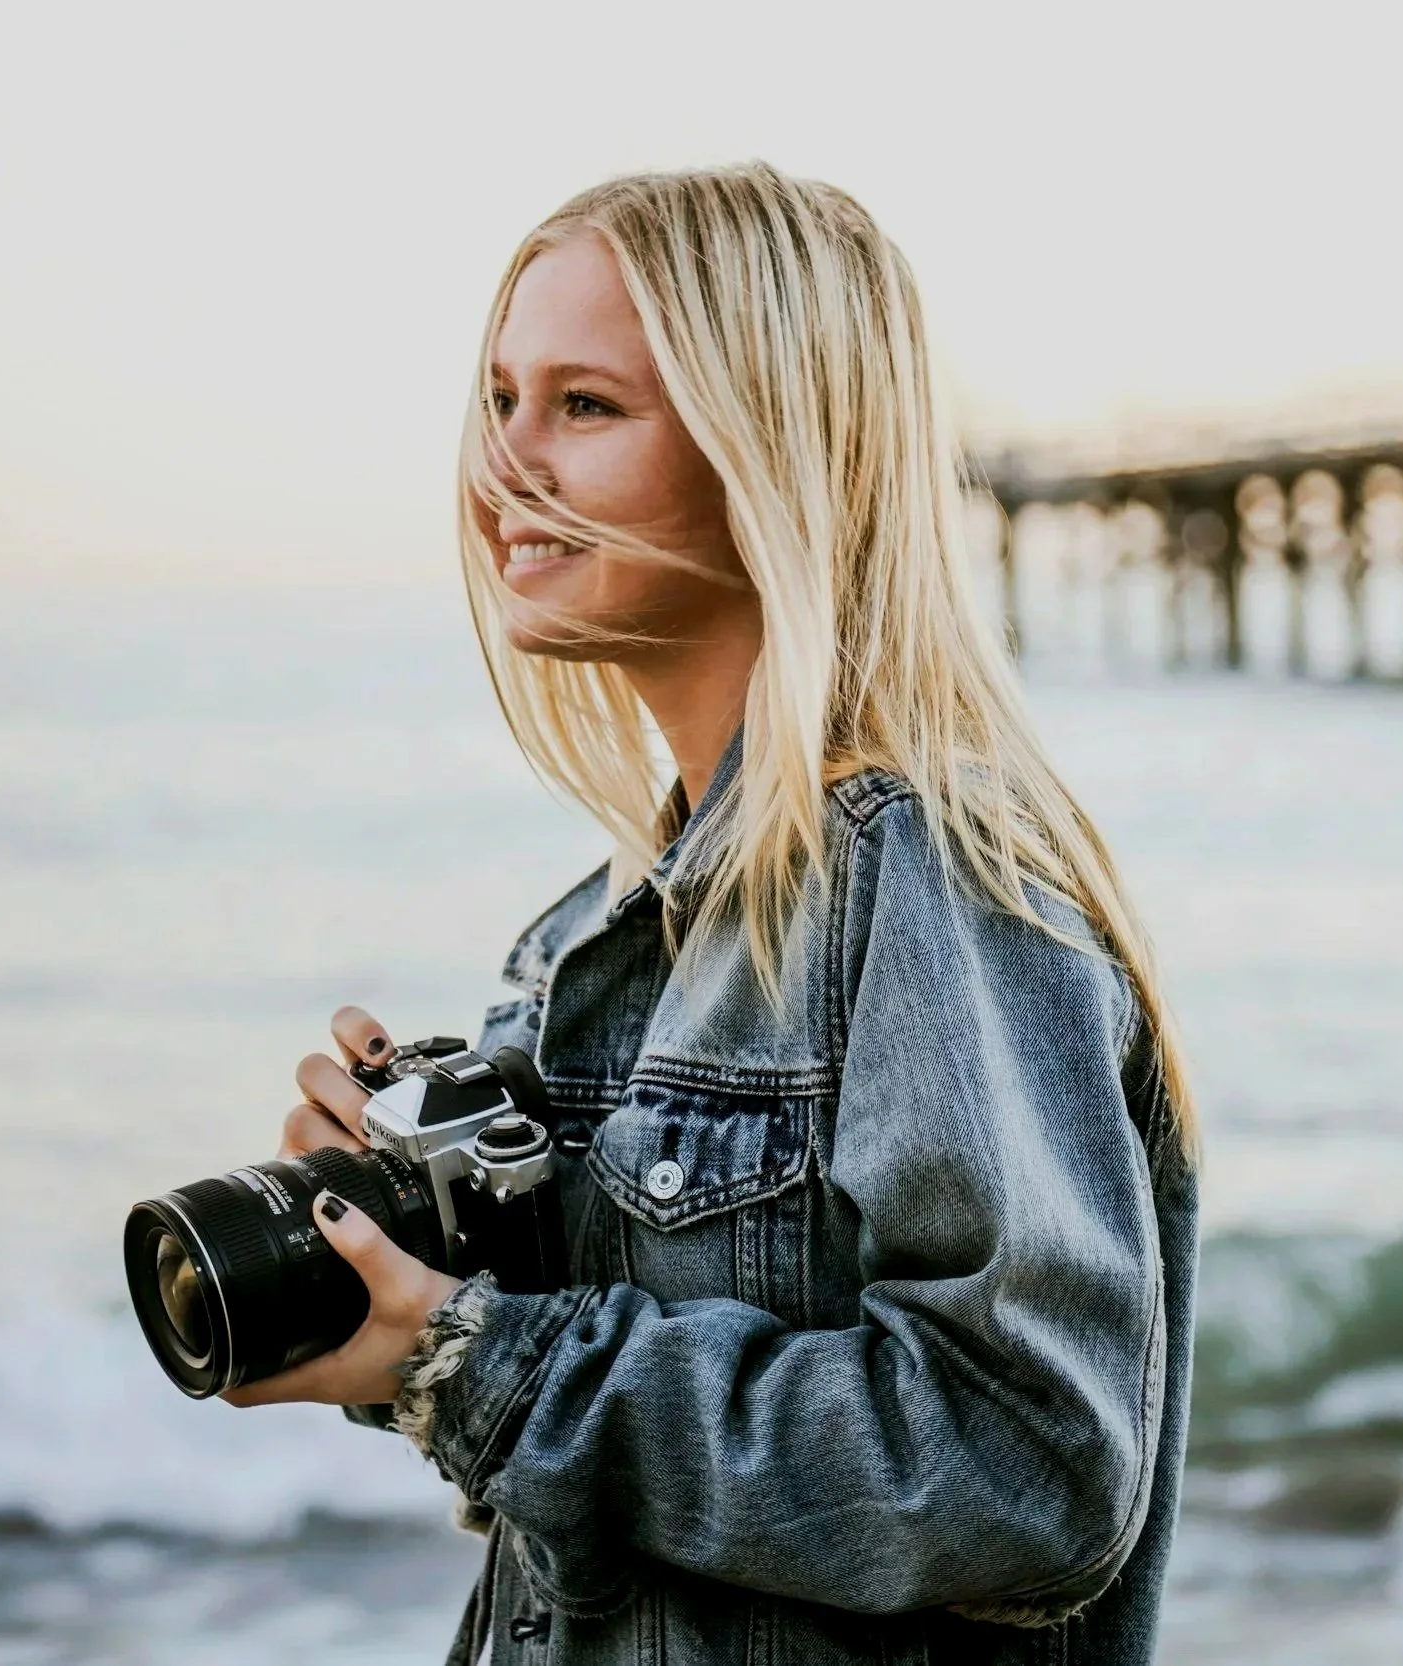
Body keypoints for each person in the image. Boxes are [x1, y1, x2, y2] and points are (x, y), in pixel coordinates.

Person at [223, 162, 1198, 1666]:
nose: (503, 466)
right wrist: (405, 1303)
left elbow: (1026, 1467)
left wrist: (487, 1367)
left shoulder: (926, 877)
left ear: (770, 448)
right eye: (498, 400)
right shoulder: (588, 940)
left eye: (585, 406)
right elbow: (625, 1502)